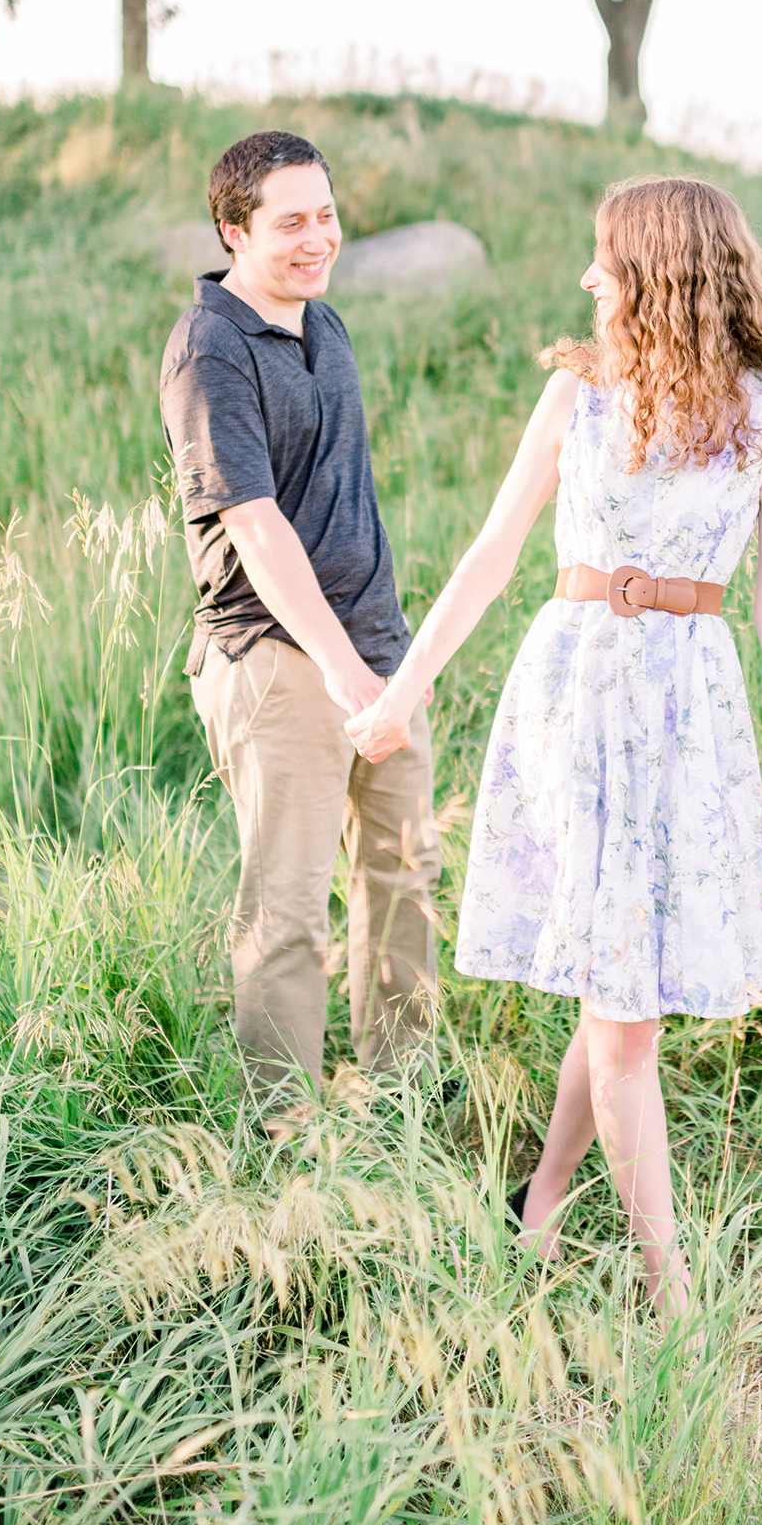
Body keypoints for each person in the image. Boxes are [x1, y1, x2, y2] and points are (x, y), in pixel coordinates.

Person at [347, 175, 762, 1316]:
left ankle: (542, 1209)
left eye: (603, 261)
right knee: (620, 1015)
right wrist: (402, 693)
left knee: (625, 995)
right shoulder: (578, 401)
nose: (585, 280)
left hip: (688, 716)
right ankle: (674, 1304)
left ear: (661, 273)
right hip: (573, 702)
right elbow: (489, 557)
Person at [159, 129, 439, 1108]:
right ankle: (286, 1135)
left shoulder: (325, 325)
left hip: (375, 650)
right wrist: (340, 668)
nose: (316, 238)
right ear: (234, 230)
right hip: (279, 661)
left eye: (324, 215)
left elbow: (344, 495)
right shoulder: (210, 350)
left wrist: (395, 656)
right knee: (287, 910)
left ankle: (401, 1097)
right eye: (289, 222)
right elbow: (255, 523)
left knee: (402, 881)